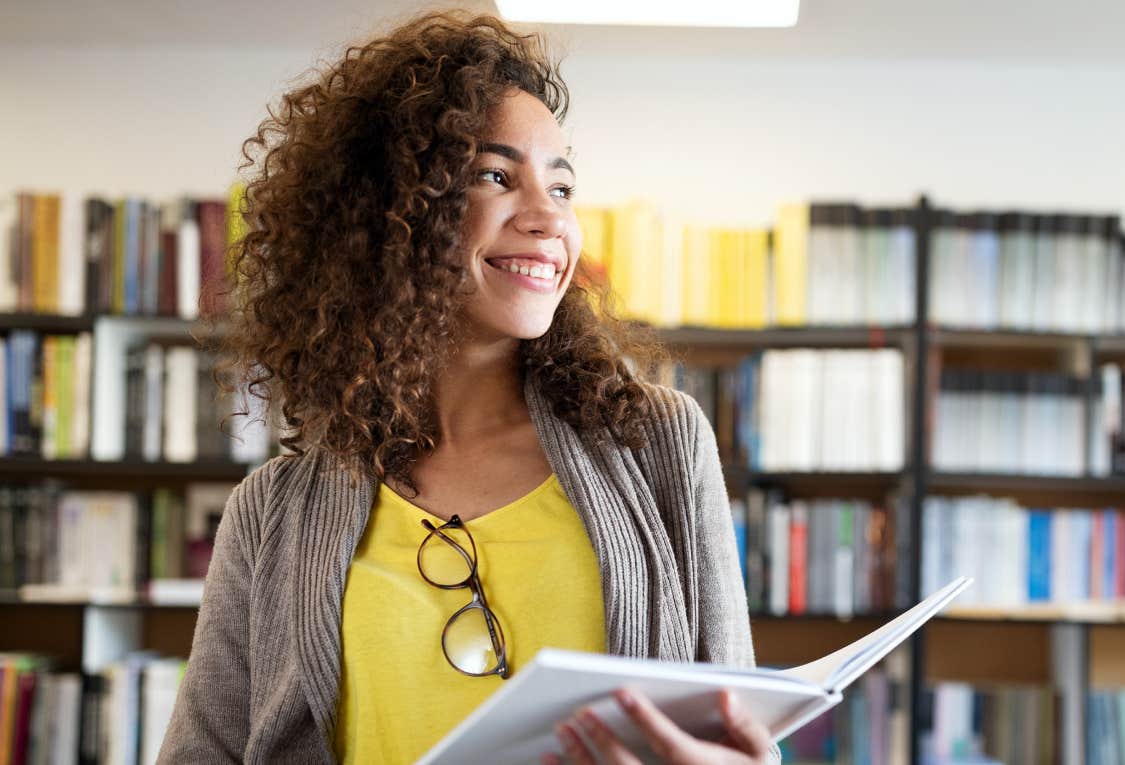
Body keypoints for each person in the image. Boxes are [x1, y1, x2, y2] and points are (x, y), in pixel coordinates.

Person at [157, 10, 779, 765]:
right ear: (391, 213)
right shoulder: (272, 512)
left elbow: (739, 729)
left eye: (562, 184)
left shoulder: (658, 442)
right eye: (496, 175)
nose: (551, 218)